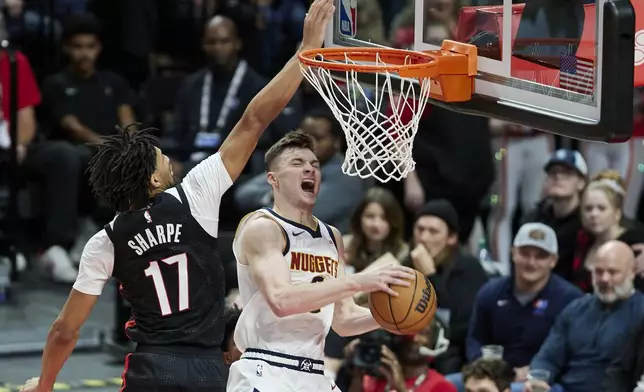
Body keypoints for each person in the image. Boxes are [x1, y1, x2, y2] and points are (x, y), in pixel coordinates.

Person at [18, 1, 334, 391]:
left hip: (151, 368)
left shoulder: (106, 241)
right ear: (153, 180)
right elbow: (254, 119)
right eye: (161, 158)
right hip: (206, 369)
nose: (168, 158)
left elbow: (65, 329)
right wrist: (303, 53)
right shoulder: (195, 195)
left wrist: (46, 383)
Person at [227, 129, 416, 391]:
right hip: (267, 368)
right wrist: (358, 282)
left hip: (315, 370)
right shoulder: (263, 228)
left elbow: (343, 318)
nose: (310, 170)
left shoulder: (331, 236)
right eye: (297, 164)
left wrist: (392, 318)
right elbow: (282, 300)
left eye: (314, 165)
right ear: (273, 179)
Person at [526, 240, 644, 392]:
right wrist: (537, 380)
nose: (604, 279)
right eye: (599, 272)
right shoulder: (575, 309)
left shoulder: (641, 313)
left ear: (632, 272)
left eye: (613, 272)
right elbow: (548, 357)